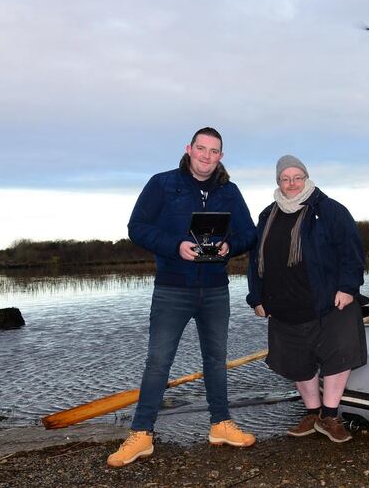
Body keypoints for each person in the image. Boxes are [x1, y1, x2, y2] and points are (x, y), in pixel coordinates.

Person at [108, 127, 258, 468]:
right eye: (201, 148)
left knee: (215, 359)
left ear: (221, 156)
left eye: (214, 150)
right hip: (172, 287)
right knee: (158, 361)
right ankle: (142, 434)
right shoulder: (162, 184)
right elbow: (137, 227)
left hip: (216, 288)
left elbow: (250, 233)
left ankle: (220, 424)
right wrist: (174, 246)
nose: (206, 156)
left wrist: (229, 246)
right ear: (189, 149)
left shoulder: (229, 192)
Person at [247, 155, 366, 444]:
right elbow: (255, 260)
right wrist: (256, 296)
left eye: (297, 177)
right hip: (284, 304)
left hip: (330, 301)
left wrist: (348, 287)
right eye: (285, 178)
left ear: (307, 178)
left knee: (338, 355)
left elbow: (352, 252)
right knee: (297, 361)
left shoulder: (330, 210)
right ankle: (313, 414)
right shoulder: (267, 215)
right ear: (278, 181)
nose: (292, 183)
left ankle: (330, 415)